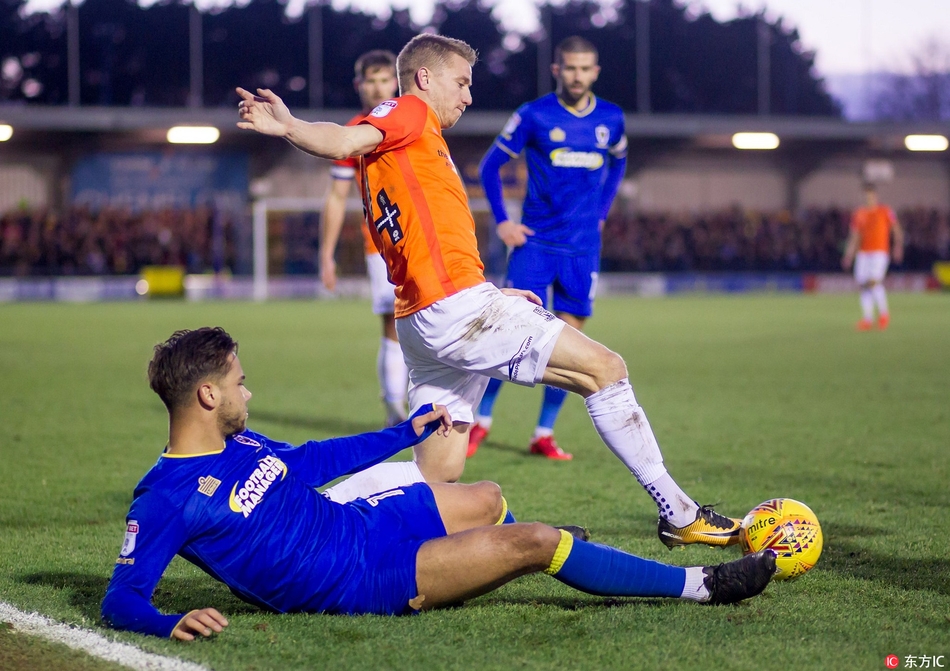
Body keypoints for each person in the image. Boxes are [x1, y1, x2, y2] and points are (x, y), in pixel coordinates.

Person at [237, 33, 744, 549]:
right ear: (425, 78)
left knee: (438, 473)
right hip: (453, 309)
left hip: (423, 316)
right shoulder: (407, 111)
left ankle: (298, 518)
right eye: (461, 83)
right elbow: (343, 141)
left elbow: (429, 233)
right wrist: (291, 126)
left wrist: (495, 294)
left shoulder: (414, 139)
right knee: (605, 370)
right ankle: (679, 513)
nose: (469, 96)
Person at [100, 327, 776, 639]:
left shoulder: (239, 439)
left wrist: (406, 430)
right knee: (535, 542)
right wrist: (167, 623)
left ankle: (527, 552)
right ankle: (701, 584)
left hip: (361, 526)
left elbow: (309, 461)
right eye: (241, 380)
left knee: (485, 495)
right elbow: (121, 599)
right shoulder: (164, 498)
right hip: (359, 579)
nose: (251, 388)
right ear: (210, 394)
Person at [471, 36, 627, 461]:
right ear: (557, 70)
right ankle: (479, 422)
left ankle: (543, 433)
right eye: (570, 68)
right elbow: (490, 166)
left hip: (582, 249)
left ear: (595, 72)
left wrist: (602, 211)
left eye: (585, 68)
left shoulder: (611, 119)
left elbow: (619, 162)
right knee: (508, 336)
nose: (577, 76)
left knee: (572, 343)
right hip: (535, 245)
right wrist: (503, 222)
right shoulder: (534, 115)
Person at [319, 50, 408, 427]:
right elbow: (337, 197)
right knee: (394, 323)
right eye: (370, 80)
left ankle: (412, 404)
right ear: (359, 86)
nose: (378, 87)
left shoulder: (411, 120)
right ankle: (395, 408)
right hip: (383, 244)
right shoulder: (351, 134)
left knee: (430, 322)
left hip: (422, 238)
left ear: (396, 83)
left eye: (385, 79)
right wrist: (327, 254)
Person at [842, 183, 905, 331]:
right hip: (863, 253)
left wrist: (898, 247)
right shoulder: (859, 214)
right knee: (863, 285)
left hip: (879, 252)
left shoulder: (885, 211)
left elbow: (896, 229)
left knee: (873, 282)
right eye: (866, 196)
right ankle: (868, 319)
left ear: (875, 196)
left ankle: (884, 314)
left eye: (871, 196)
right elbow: (855, 236)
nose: (868, 199)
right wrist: (849, 255)